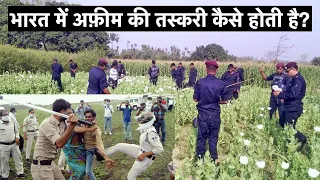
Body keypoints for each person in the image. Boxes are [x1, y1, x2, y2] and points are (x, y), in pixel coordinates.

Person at [105, 112, 164, 180]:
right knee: (119, 146)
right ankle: (102, 154)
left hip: (146, 158)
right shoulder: (146, 129)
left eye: (141, 121)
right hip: (140, 150)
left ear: (147, 122)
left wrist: (143, 155)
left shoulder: (151, 133)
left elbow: (159, 149)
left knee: (130, 177)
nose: (139, 123)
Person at [31, 99, 79, 180]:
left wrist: (89, 126)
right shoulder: (47, 124)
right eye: (68, 112)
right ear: (63, 111)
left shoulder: (62, 123)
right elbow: (60, 144)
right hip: (41, 166)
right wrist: (72, 125)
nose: (70, 114)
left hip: (51, 162)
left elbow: (73, 131)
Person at [193, 60, 229, 165]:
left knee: (201, 138)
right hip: (215, 115)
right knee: (213, 138)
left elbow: (195, 99)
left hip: (203, 114)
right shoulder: (221, 84)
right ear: (216, 70)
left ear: (206, 69)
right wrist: (217, 101)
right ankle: (214, 159)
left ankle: (200, 159)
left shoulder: (200, 82)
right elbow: (225, 101)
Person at [273, 62, 307, 151]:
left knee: (289, 128)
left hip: (294, 108)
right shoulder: (293, 79)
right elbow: (289, 91)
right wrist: (281, 93)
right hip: (288, 106)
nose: (286, 73)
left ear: (293, 69)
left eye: (287, 71)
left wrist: (280, 95)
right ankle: (296, 141)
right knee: (282, 123)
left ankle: (298, 141)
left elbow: (293, 94)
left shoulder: (298, 80)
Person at [83, 109, 115, 180]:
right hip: (82, 150)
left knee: (88, 171)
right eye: (86, 117)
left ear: (94, 117)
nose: (87, 118)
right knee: (82, 169)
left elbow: (98, 143)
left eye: (89, 117)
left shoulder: (96, 129)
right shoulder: (84, 125)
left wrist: (105, 156)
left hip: (89, 151)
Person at [0, 109, 25, 179]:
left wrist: (17, 138)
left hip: (14, 144)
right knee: (4, 161)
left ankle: (20, 173)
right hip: (3, 146)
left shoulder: (12, 122)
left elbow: (16, 131)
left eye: (7, 115)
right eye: (4, 115)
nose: (7, 116)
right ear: (1, 116)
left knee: (18, 158)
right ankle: (5, 176)